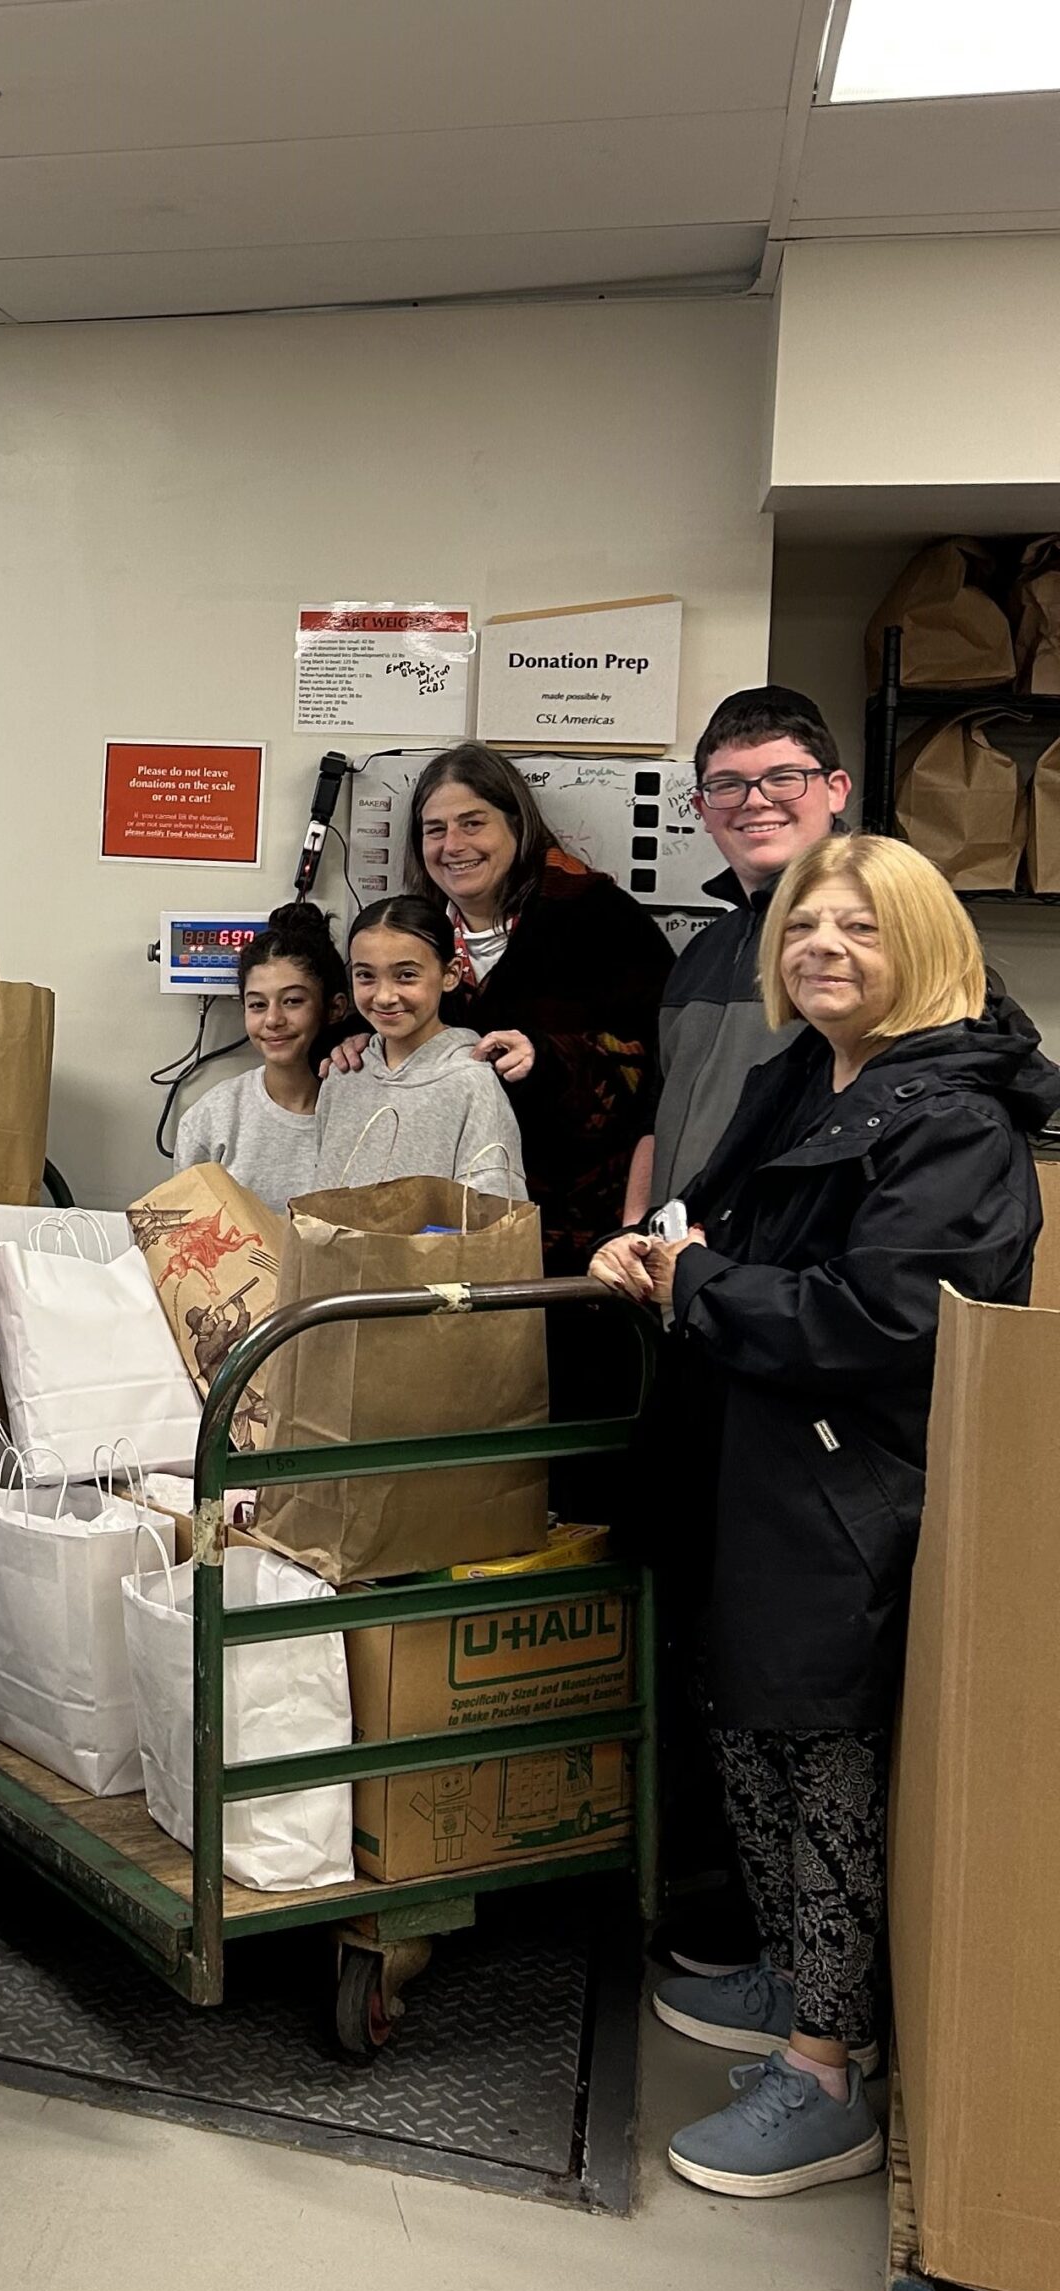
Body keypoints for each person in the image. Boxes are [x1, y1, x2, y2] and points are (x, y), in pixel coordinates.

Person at [594, 836, 1055, 2197]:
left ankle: (824, 2073)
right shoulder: (808, 1073)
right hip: (758, 1465)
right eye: (806, 927)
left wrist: (701, 1288)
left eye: (859, 928)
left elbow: (890, 1318)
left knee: (827, 1764)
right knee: (753, 1733)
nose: (824, 949)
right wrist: (658, 1248)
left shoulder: (951, 1120)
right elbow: (723, 1228)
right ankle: (801, 1975)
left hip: (852, 1489)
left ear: (923, 947)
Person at [406, 745, 673, 1275]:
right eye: (435, 830)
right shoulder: (412, 934)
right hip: (447, 1228)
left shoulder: (600, 918)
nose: (452, 846)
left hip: (583, 1238)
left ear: (518, 825)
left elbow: (659, 1066)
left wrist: (546, 1058)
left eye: (472, 823)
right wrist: (350, 1042)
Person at [625, 687, 854, 1224]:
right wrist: (636, 1225)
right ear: (702, 809)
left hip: (784, 1279)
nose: (755, 801)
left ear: (836, 789)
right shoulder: (704, 949)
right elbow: (654, 1115)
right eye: (728, 785)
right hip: (677, 1273)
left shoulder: (885, 934)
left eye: (783, 778)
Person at [310, 896, 529, 1198]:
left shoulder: (472, 1083)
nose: (384, 996)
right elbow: (320, 1193)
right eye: (366, 976)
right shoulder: (342, 1076)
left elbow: (491, 1212)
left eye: (406, 976)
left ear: (450, 974)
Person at [173, 904, 349, 1207]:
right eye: (257, 1005)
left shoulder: (365, 1113)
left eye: (292, 1001)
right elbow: (187, 1234)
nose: (273, 1020)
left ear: (334, 1008)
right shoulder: (214, 1117)